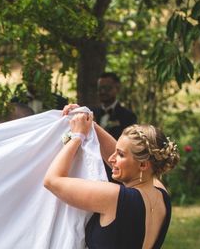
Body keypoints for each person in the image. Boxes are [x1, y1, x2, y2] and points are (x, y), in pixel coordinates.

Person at [44, 105, 180, 249]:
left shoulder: (114, 198)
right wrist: (90, 124)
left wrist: (77, 137)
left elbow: (51, 180)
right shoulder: (161, 195)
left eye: (120, 154)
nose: (111, 158)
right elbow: (130, 154)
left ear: (143, 165)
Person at [91, 72, 137, 140]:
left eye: (107, 88)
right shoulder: (91, 113)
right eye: (100, 88)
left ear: (117, 89)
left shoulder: (128, 116)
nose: (103, 92)